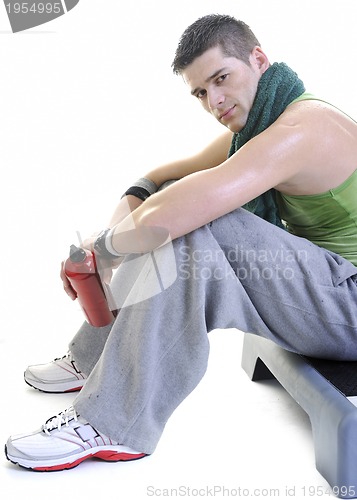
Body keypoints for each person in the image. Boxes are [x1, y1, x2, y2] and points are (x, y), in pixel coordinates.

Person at [5, 13, 357, 471]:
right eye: (200, 92)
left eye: (221, 78)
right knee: (178, 217)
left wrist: (105, 249)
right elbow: (161, 178)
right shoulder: (263, 124)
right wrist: (123, 219)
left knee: (199, 223)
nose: (215, 101)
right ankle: (90, 360)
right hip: (330, 291)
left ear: (258, 58)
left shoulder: (300, 130)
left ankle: (115, 424)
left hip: (349, 305)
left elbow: (192, 207)